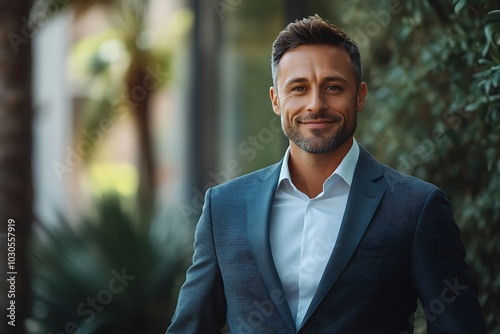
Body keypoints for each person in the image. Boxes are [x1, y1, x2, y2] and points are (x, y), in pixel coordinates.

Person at [166, 14, 486, 333]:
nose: (315, 104)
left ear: (359, 96)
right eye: (299, 88)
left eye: (333, 87)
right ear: (276, 100)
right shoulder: (223, 208)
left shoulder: (417, 208)